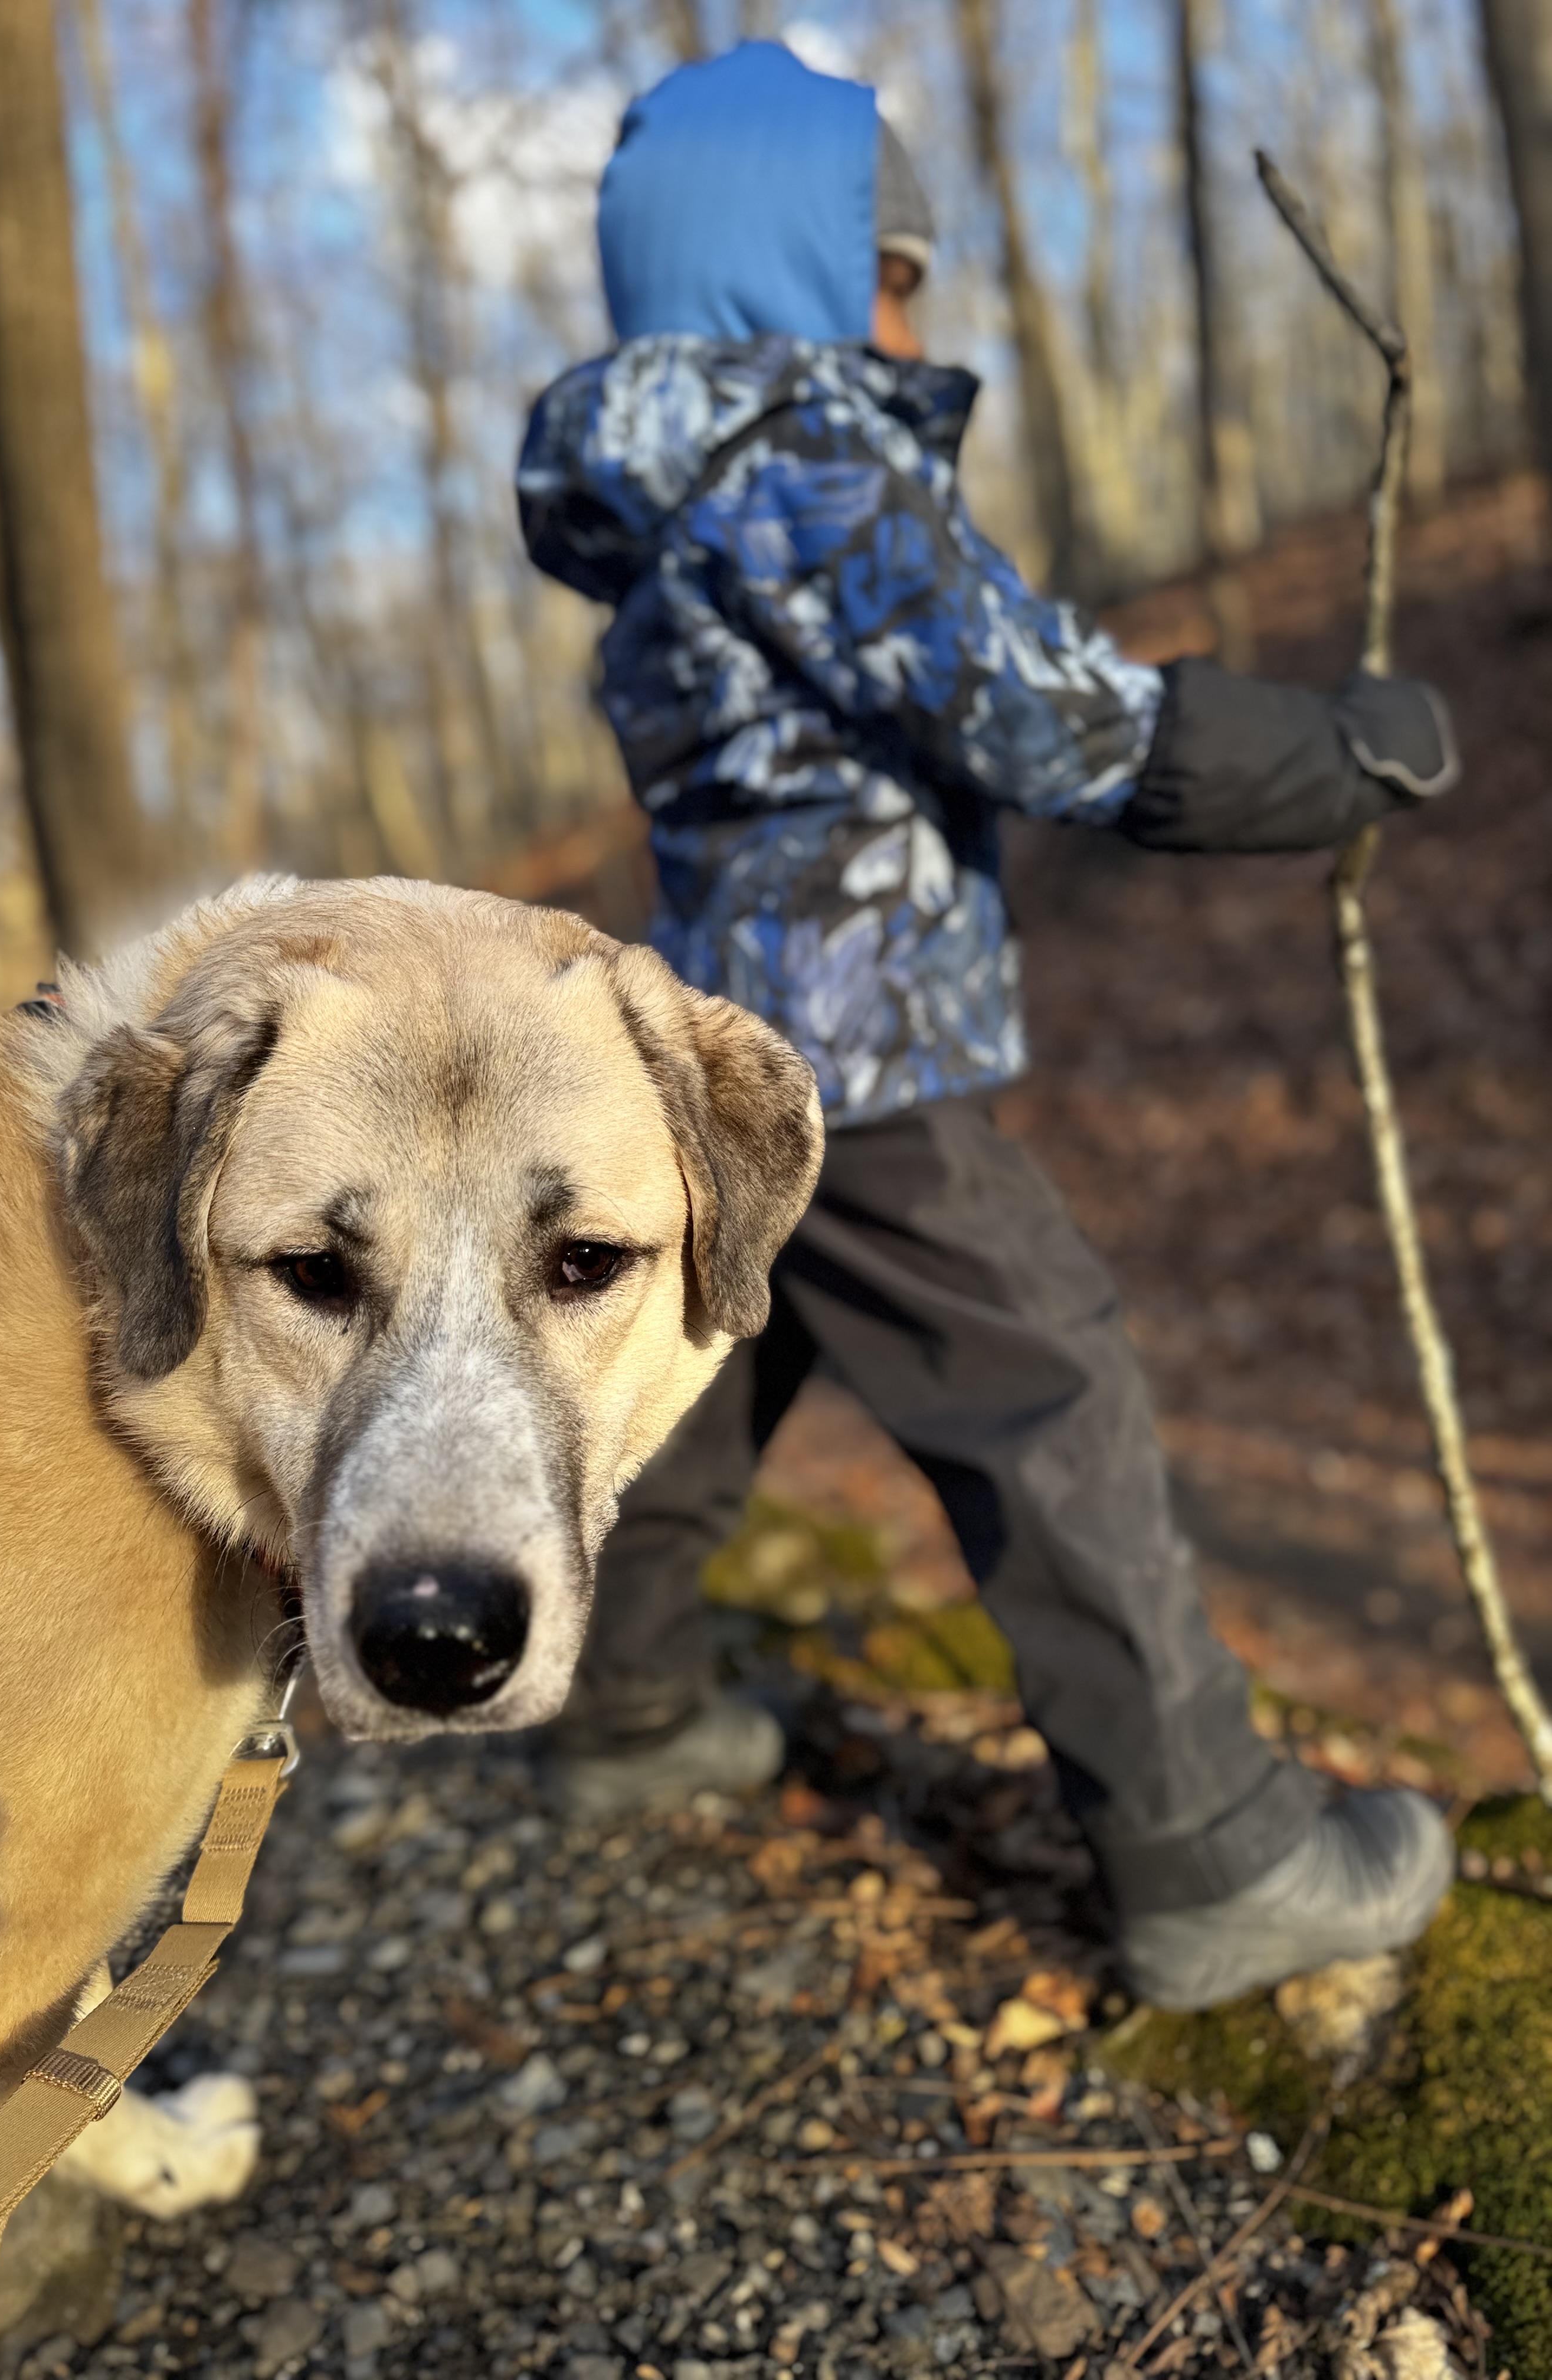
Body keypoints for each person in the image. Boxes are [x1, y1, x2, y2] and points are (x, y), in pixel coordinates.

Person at [514, 40, 1459, 2010]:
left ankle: (614, 1711)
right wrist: (1329, 755)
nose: (912, 312)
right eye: (894, 268)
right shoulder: (794, 457)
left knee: (699, 1368)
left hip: (732, 1028)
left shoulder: (669, 477)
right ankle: (1213, 1856)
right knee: (1053, 1387)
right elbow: (1050, 712)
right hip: (847, 1050)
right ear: (789, 268)